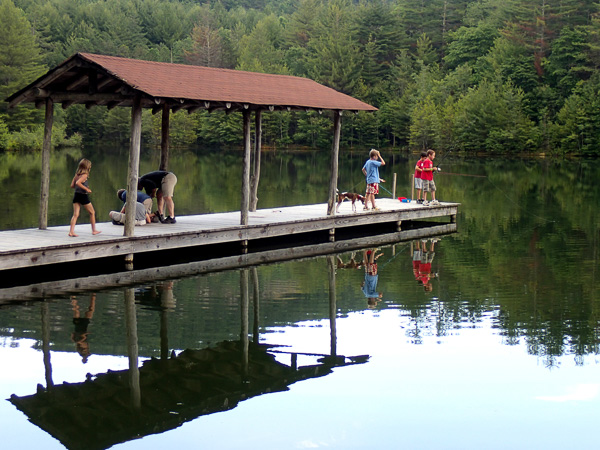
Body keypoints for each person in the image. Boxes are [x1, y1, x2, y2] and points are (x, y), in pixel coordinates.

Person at [68, 158, 101, 237]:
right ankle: (94, 230)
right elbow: (78, 183)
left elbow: (72, 185)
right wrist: (86, 189)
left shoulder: (77, 175)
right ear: (87, 167)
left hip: (76, 195)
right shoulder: (84, 175)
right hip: (83, 196)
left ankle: (71, 231)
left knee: (75, 214)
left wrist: (82, 186)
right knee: (92, 212)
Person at [70, 294, 96, 364]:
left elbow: (82, 337)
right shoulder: (77, 342)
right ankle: (93, 295)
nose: (86, 349)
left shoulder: (79, 342)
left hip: (79, 325)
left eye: (85, 350)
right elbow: (72, 334)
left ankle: (73, 296)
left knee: (76, 308)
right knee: (90, 309)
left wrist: (86, 334)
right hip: (83, 325)